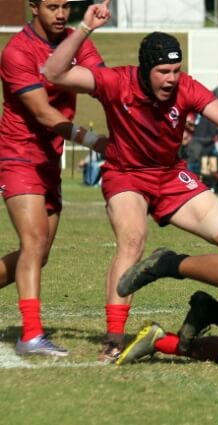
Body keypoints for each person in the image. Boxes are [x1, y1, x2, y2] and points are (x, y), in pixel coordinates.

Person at [43, 4, 218, 362]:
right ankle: (113, 337)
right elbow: (54, 72)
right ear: (145, 69)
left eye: (176, 70)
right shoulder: (115, 82)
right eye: (163, 71)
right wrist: (86, 28)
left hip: (171, 176)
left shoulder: (186, 87)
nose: (171, 78)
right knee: (133, 238)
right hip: (126, 175)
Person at [0, 0, 107, 356]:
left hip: (50, 160)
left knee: (39, 253)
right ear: (33, 7)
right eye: (52, 7)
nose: (61, 14)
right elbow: (44, 114)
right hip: (17, 156)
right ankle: (30, 335)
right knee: (33, 243)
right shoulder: (16, 52)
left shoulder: (77, 42)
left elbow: (103, 82)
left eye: (66, 6)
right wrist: (96, 142)